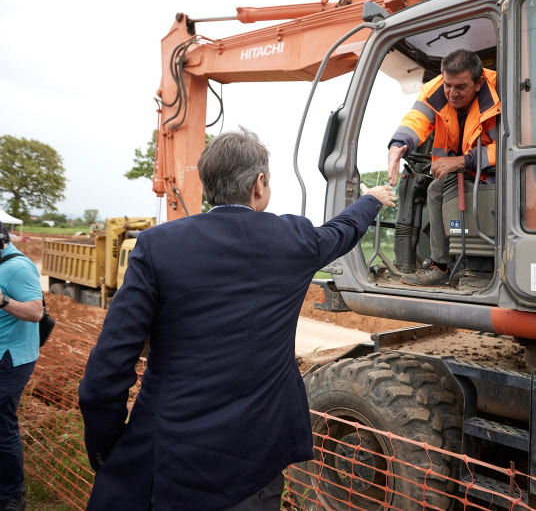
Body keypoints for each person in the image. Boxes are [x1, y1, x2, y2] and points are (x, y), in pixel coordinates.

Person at [78, 128, 396, 511]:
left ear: (208, 184)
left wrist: (110, 451)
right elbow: (341, 231)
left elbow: (103, 376)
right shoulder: (294, 240)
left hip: (166, 465)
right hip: (254, 467)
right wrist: (371, 200)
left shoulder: (157, 246)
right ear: (259, 184)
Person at [387, 49, 499, 286]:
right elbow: (416, 119)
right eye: (448, 85)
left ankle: (487, 263)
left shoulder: (497, 94)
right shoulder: (436, 90)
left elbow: (507, 148)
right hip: (467, 167)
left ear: (479, 83)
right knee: (436, 189)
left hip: (497, 171)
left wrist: (461, 161)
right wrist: (398, 145)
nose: (452, 94)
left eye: (460, 87)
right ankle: (442, 265)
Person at [0, 223, 43, 511]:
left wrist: (1, 300)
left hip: (11, 358)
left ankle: (11, 497)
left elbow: (36, 311)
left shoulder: (17, 267)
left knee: (2, 425)